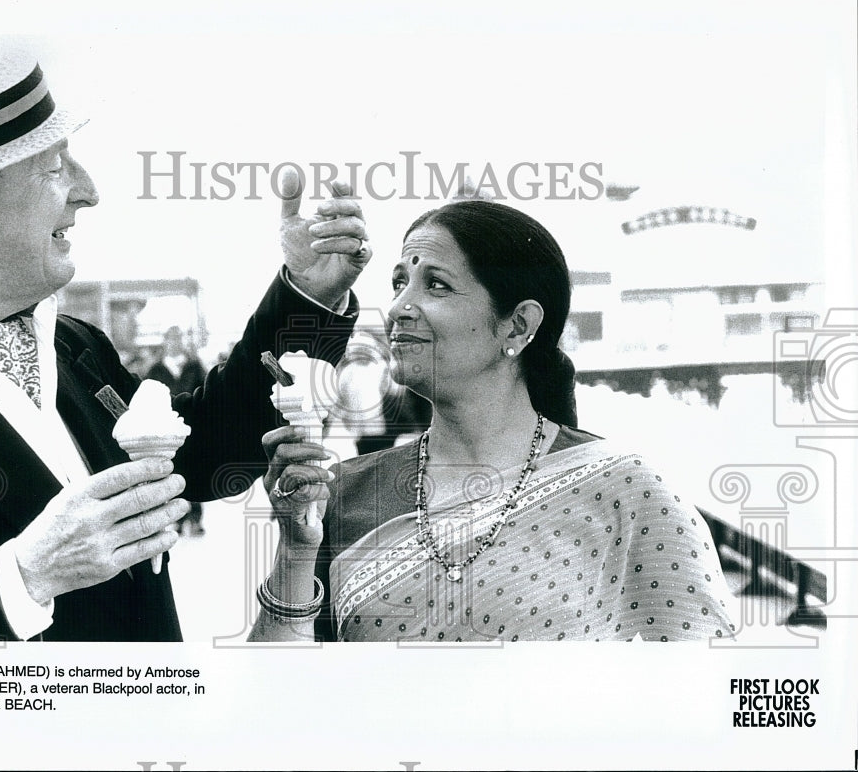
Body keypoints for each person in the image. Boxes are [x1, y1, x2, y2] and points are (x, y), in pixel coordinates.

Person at [0, 51, 370, 642]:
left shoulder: (75, 345)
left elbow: (207, 453)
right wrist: (19, 579)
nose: (87, 192)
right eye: (53, 168)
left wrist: (307, 298)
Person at [249, 200, 736, 642]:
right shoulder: (345, 492)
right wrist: (295, 547)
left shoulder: (628, 491)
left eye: (435, 285)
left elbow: (705, 695)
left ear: (518, 325)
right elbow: (277, 701)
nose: (398, 307)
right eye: (400, 283)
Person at [145, 326, 210, 534]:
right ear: (165, 342)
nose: (175, 342)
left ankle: (196, 518)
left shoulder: (194, 366)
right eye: (171, 339)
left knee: (196, 471)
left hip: (193, 427)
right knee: (174, 471)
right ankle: (180, 518)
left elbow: (207, 391)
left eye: (178, 338)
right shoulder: (156, 370)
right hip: (166, 430)